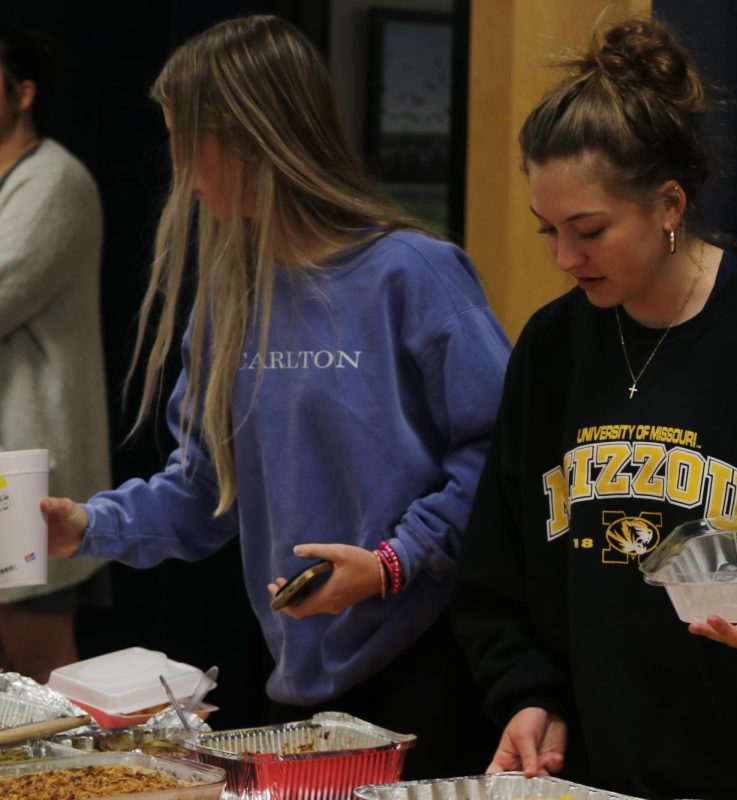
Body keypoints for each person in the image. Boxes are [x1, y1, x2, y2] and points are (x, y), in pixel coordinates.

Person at [450, 15, 737, 800]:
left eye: (589, 230)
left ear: (669, 204)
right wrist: (531, 692)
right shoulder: (554, 346)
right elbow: (497, 571)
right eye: (548, 231)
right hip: (599, 773)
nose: (565, 258)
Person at [41, 15, 508, 779]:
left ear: (251, 136)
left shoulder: (413, 273)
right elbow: (201, 494)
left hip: (432, 666)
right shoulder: (228, 299)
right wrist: (86, 526)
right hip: (298, 682)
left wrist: (393, 563)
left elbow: (499, 452)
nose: (182, 170)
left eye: (187, 142)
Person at [0, 24, 110, 684]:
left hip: (25, 464)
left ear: (23, 94)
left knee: (38, 662)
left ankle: (69, 787)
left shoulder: (54, 180)